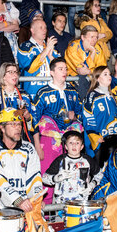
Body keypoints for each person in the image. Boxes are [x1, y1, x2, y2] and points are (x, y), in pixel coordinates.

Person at [33, 57, 83, 203]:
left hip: (70, 141)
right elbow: (34, 120)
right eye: (60, 69)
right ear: (52, 72)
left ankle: (68, 210)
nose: (65, 72)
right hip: (49, 142)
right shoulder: (43, 93)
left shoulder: (72, 91)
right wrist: (37, 145)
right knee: (48, 174)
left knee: (71, 173)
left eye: (66, 69)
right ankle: (46, 211)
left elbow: (82, 113)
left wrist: (75, 116)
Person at [0, 108, 43, 212]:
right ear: (2, 128)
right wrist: (18, 201)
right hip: (0, 211)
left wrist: (36, 198)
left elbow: (35, 177)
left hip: (27, 207)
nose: (18, 128)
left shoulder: (29, 148)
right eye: (13, 124)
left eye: (19, 124)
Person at [42, 130, 102, 203]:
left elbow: (100, 174)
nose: (74, 145)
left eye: (77, 143)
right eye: (71, 143)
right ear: (66, 146)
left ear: (82, 146)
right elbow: (44, 178)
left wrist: (92, 185)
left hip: (81, 203)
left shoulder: (87, 160)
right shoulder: (60, 160)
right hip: (61, 204)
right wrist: (55, 178)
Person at [83, 66, 117, 165]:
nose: (109, 76)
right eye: (105, 74)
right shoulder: (92, 96)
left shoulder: (112, 96)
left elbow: (116, 118)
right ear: (98, 78)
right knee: (98, 169)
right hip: (99, 140)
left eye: (109, 74)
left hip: (113, 138)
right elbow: (88, 116)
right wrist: (94, 136)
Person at [0, 62, 35, 143]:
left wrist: (28, 118)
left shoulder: (24, 95)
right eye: (10, 72)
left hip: (20, 140)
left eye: (16, 72)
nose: (15, 75)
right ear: (3, 76)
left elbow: (34, 124)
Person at [17, 18, 59, 97]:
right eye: (41, 28)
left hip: (51, 93)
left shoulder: (51, 47)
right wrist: (46, 50)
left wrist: (50, 57)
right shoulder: (25, 47)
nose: (44, 30)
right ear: (32, 30)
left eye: (45, 28)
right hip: (32, 93)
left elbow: (60, 69)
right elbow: (31, 68)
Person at [75, 0, 112, 65]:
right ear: (89, 7)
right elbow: (91, 39)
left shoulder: (101, 20)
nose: (98, 7)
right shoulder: (85, 22)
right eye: (95, 5)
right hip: (93, 55)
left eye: (99, 5)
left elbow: (110, 34)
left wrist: (103, 35)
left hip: (105, 54)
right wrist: (102, 36)